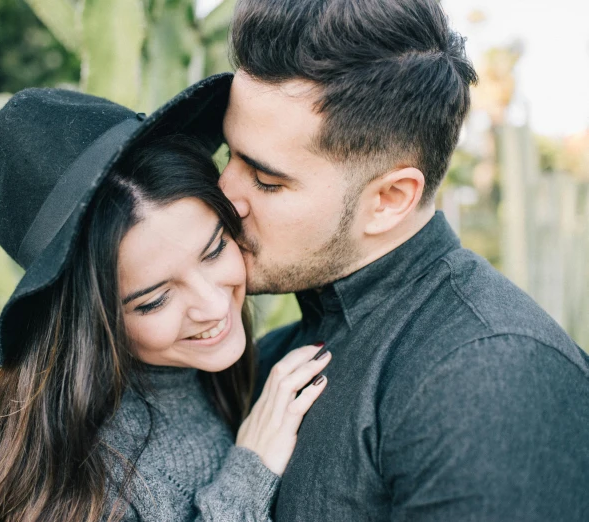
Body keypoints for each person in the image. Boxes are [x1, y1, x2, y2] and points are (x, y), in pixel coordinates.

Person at [219, 0, 589, 520]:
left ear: (389, 199)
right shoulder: (265, 354)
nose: (224, 195)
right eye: (227, 156)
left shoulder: (485, 378)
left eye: (267, 180)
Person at [0, 76, 330, 522]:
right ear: (91, 319)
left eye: (215, 250)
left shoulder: (212, 374)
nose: (212, 305)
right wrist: (247, 477)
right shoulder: (77, 482)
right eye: (154, 301)